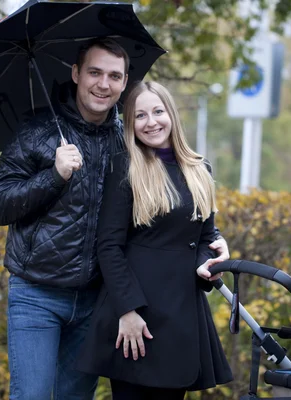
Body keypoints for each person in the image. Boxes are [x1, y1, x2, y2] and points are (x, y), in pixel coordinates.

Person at [0, 38, 230, 400]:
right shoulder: (37, 132)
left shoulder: (129, 138)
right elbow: (1, 205)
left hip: (95, 297)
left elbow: (173, 206)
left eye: (114, 76)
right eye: (95, 73)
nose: (104, 84)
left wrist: (212, 242)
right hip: (38, 291)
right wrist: (53, 175)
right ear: (76, 73)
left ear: (124, 82)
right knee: (33, 394)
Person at [77, 81, 233, 400]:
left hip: (181, 315)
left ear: (171, 114)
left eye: (158, 111)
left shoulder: (200, 169)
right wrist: (128, 311)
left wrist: (211, 261)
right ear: (131, 124)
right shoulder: (126, 168)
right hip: (137, 316)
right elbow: (108, 246)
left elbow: (205, 235)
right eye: (140, 115)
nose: (152, 122)